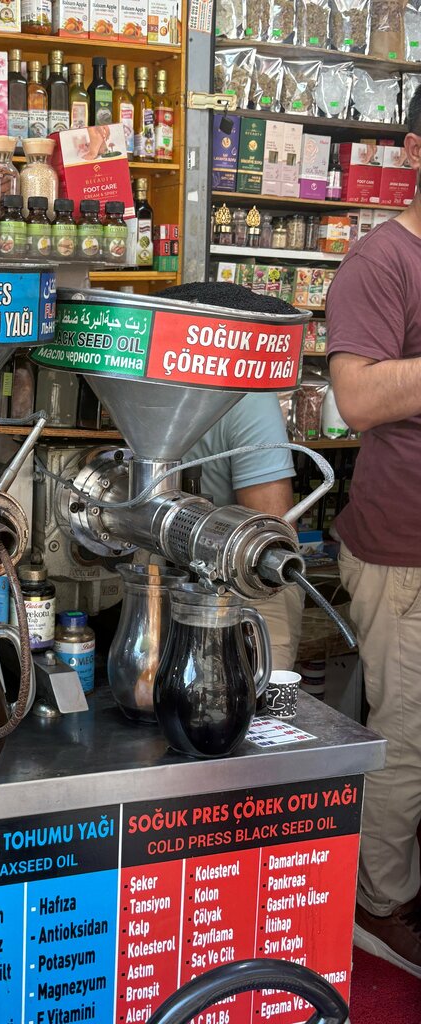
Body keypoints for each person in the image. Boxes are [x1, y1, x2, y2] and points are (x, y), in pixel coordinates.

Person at [325, 84, 421, 978]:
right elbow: (355, 397)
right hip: (406, 550)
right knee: (409, 739)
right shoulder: (382, 260)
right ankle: (381, 905)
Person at [183, 391, 304, 670]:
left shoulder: (248, 396)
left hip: (249, 584)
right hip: (188, 581)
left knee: (259, 690)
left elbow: (271, 540)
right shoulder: (249, 393)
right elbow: (275, 523)